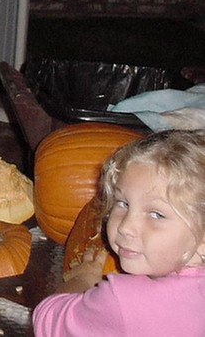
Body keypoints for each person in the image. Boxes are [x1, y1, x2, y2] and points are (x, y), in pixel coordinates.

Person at [32, 129, 205, 337]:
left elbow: (47, 320)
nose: (125, 226)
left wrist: (83, 281)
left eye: (157, 215)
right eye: (122, 203)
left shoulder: (124, 301)